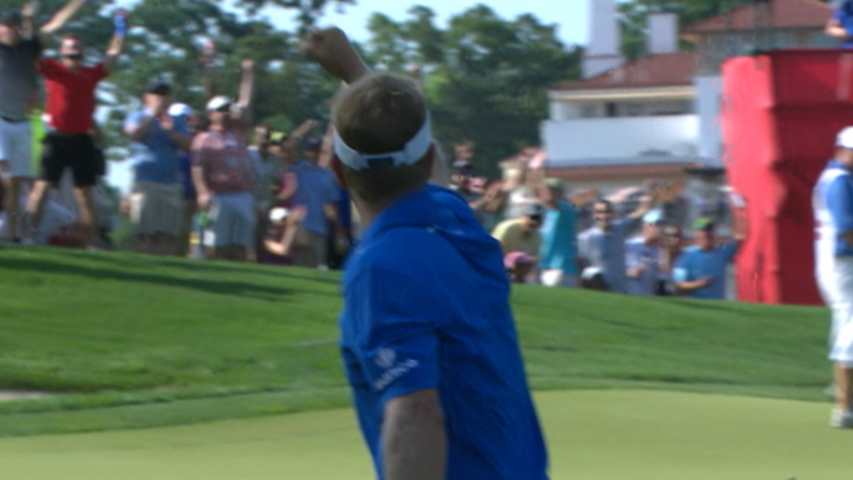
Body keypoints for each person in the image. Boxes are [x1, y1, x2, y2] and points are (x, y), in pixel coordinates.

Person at [304, 27, 548, 480]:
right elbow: (425, 167)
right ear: (428, 155)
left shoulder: (382, 267)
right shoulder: (452, 223)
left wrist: (356, 79)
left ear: (336, 169)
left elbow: (416, 413)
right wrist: (355, 72)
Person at [26, 10, 125, 246]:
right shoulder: (52, 69)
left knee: (84, 193)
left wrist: (120, 28)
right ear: (62, 52)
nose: (73, 53)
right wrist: (31, 23)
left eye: (77, 49)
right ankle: (26, 235)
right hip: (56, 138)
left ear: (82, 53)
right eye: (69, 49)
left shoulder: (90, 74)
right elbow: (32, 51)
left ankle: (92, 241)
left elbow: (112, 55)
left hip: (81, 139)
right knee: (41, 187)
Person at [0, 0, 84, 242]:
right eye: (5, 25)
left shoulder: (30, 48)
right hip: (0, 121)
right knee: (4, 173)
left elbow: (56, 23)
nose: (8, 29)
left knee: (16, 182)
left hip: (23, 123)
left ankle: (13, 235)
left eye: (12, 25)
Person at [812, 126, 853, 429]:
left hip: (833, 261)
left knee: (844, 323)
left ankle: (843, 396)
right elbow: (846, 228)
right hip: (843, 262)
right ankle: (844, 407)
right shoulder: (840, 180)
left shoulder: (832, 176)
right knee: (850, 325)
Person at [123, 81, 191, 255]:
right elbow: (134, 134)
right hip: (145, 182)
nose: (161, 98)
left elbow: (188, 146)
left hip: (171, 183)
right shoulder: (137, 116)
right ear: (146, 98)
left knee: (168, 234)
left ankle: (165, 266)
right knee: (144, 233)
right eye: (157, 94)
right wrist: (152, 116)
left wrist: (169, 130)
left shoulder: (177, 121)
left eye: (165, 95)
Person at [191, 96, 257, 262]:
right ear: (211, 114)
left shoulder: (237, 135)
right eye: (221, 110)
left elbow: (245, 109)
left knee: (241, 244)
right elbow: (198, 168)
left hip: (242, 195)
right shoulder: (204, 138)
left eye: (228, 109)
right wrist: (202, 192)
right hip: (218, 195)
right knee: (216, 243)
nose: (226, 113)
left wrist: (247, 79)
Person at [578, 194, 657, 294]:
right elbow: (581, 266)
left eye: (607, 212)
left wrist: (645, 203)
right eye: (599, 212)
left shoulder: (619, 229)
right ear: (594, 214)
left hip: (620, 289)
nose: (603, 216)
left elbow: (637, 215)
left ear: (613, 214)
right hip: (599, 289)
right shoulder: (586, 238)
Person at [288, 135, 340, 269]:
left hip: (320, 228)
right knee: (299, 267)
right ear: (306, 152)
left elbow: (330, 207)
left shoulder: (328, 175)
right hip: (300, 226)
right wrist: (306, 129)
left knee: (319, 267)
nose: (313, 153)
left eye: (316, 150)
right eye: (311, 150)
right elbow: (288, 147)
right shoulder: (298, 170)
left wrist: (339, 231)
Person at [537, 178, 598, 288]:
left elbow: (562, 202)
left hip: (562, 267)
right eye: (544, 190)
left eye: (551, 190)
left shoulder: (565, 209)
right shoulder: (546, 213)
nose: (547, 193)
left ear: (559, 193)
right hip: (545, 265)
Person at [672, 215, 745, 300]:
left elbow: (741, 238)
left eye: (709, 231)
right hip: (695, 304)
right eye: (702, 231)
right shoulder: (686, 255)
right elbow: (678, 284)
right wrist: (698, 284)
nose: (706, 234)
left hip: (718, 305)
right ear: (696, 234)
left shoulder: (721, 253)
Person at [625, 210, 664, 296]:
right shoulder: (630, 245)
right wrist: (630, 272)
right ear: (646, 226)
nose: (660, 229)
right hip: (628, 295)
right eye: (657, 225)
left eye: (661, 225)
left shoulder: (659, 249)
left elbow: (664, 273)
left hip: (648, 297)